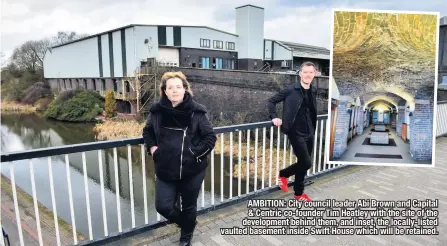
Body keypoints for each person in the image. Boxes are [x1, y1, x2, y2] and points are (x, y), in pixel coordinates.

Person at [142, 71, 217, 246]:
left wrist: (194, 154)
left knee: (189, 206)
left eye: (178, 87)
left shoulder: (197, 112)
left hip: (192, 170)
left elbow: (210, 138)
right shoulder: (157, 112)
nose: (175, 91)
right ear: (165, 91)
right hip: (166, 168)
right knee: (163, 206)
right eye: (170, 87)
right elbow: (148, 131)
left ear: (185, 90)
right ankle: (188, 224)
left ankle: (185, 238)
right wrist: (153, 148)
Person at [266, 61, 318, 202]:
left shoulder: (313, 90)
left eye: (311, 72)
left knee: (303, 163)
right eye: (305, 72)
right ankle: (284, 174)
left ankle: (298, 194)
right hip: (295, 131)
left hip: (310, 131)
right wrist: (274, 117)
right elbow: (271, 101)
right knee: (306, 163)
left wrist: (313, 128)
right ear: (300, 74)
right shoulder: (290, 90)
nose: (308, 75)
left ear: (315, 74)